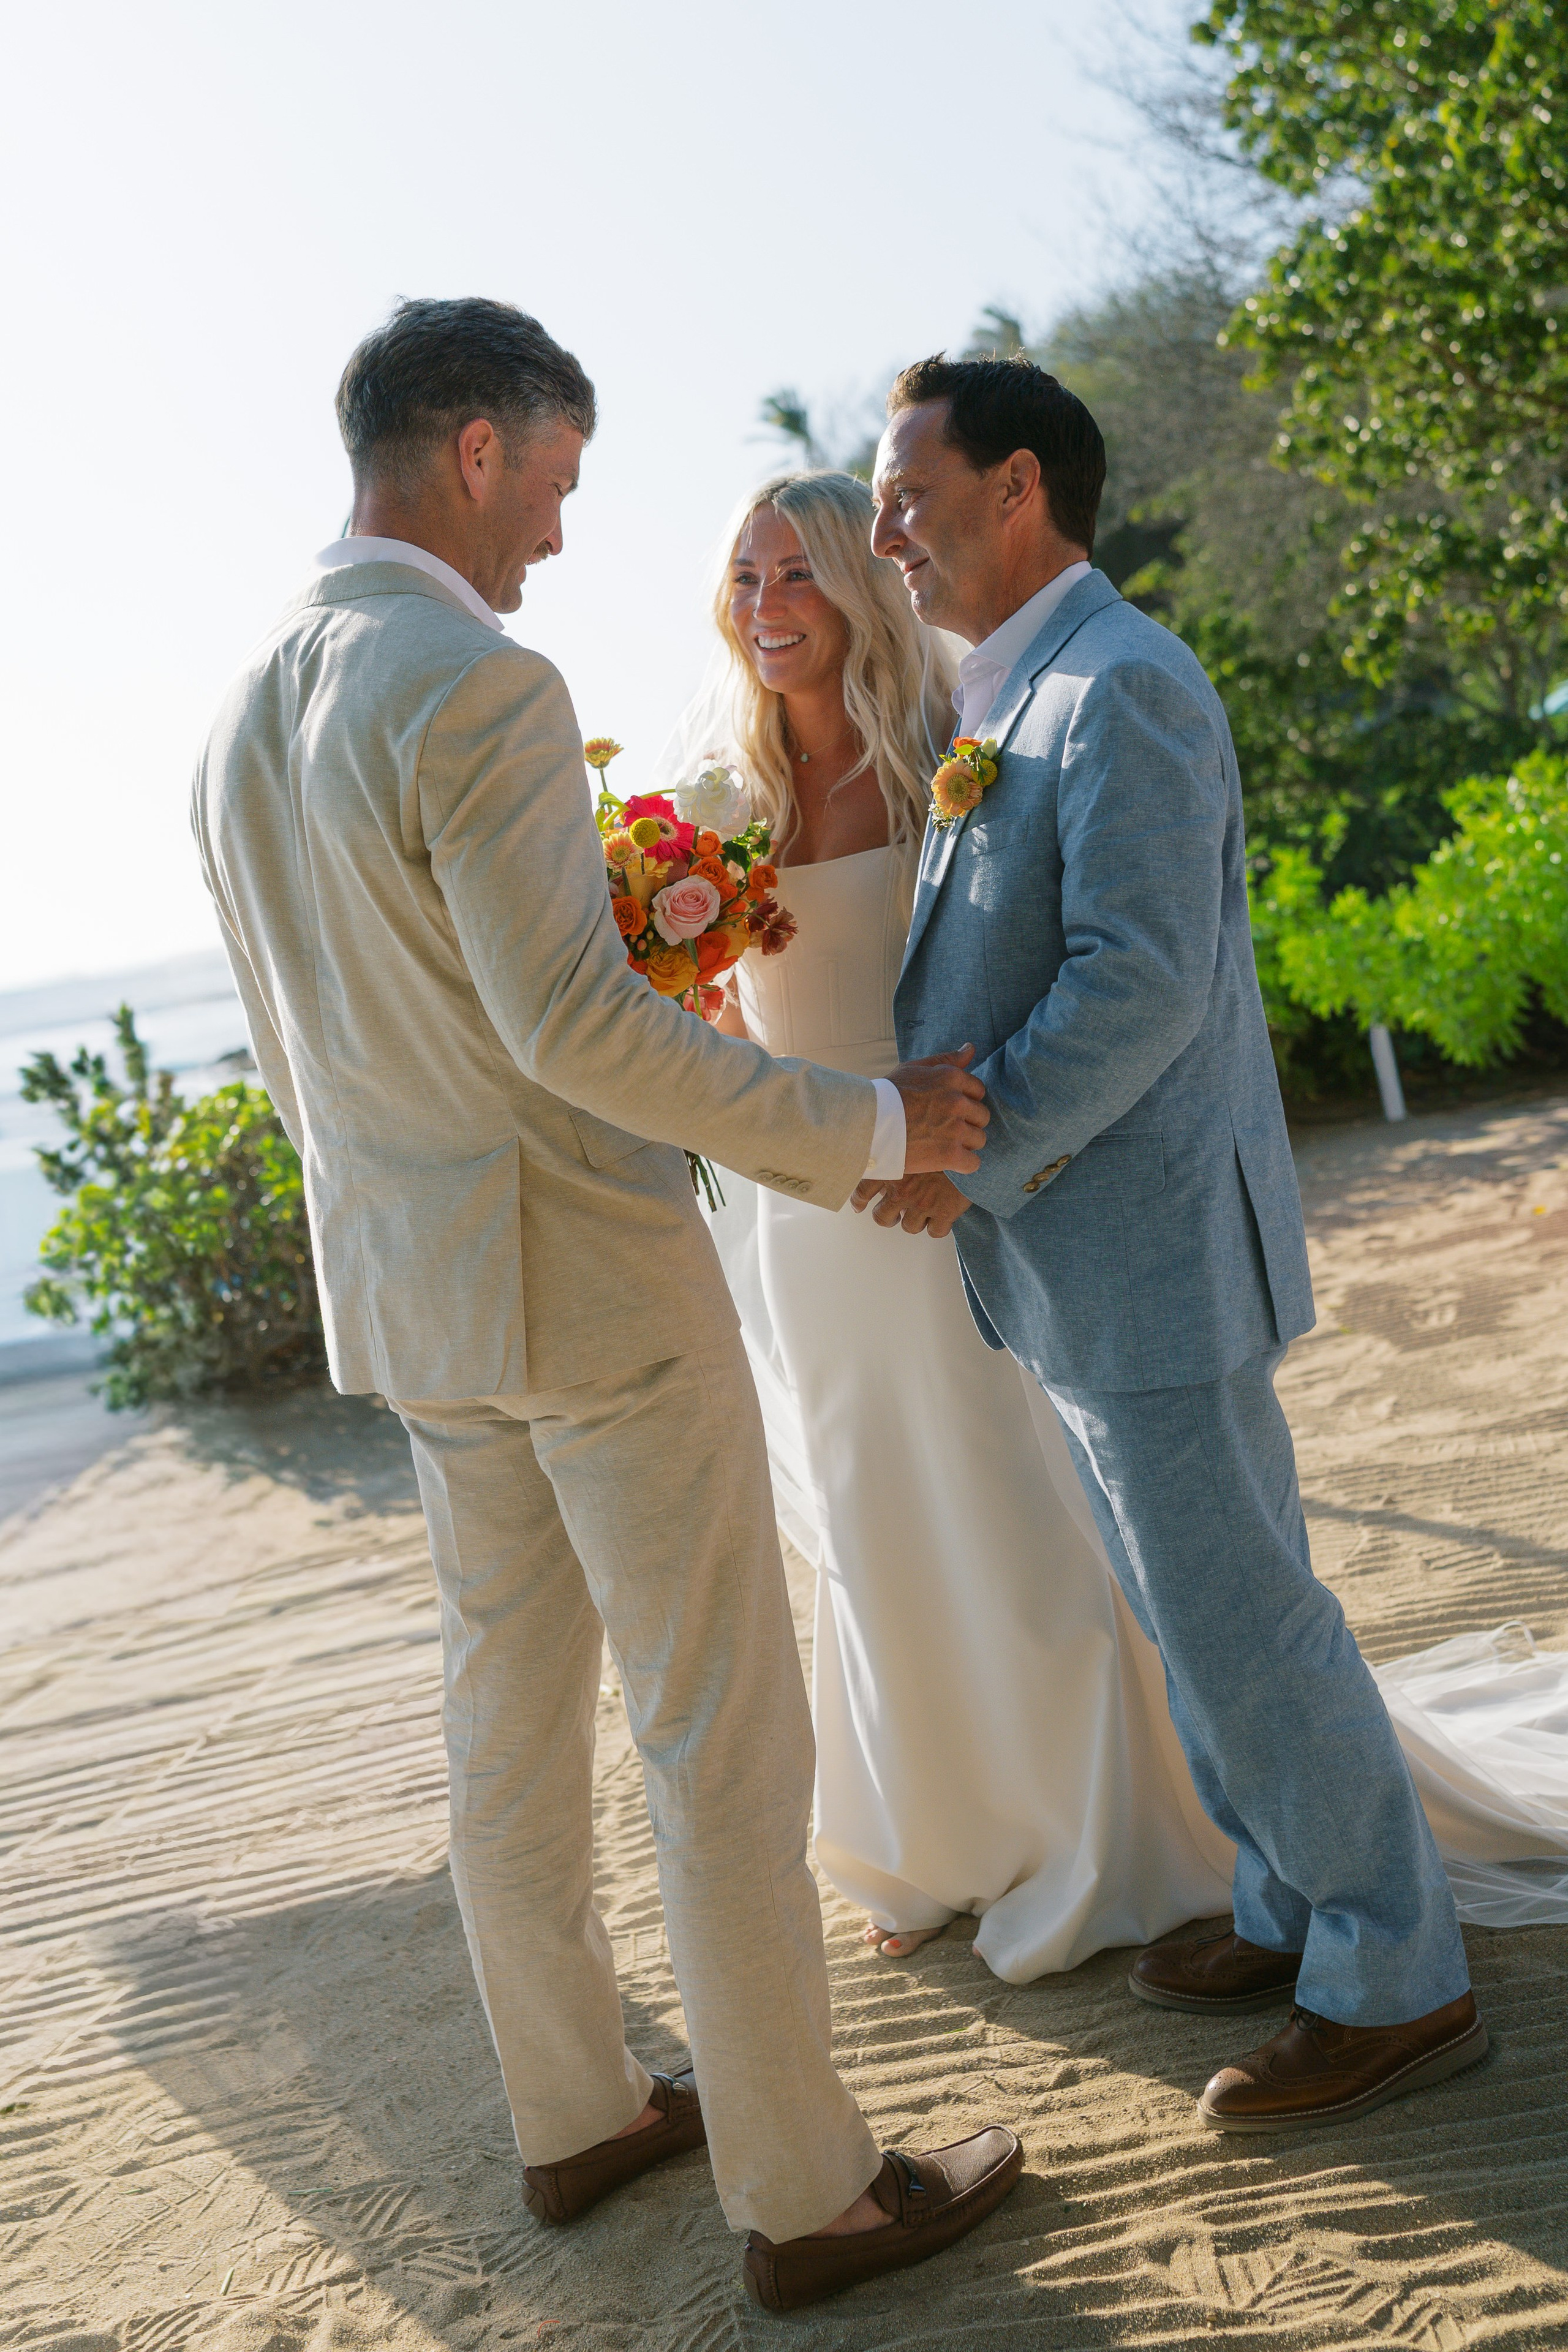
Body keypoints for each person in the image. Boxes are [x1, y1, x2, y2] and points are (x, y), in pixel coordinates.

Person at [190, 295, 1022, 2314]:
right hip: (590, 1293)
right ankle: (809, 2192)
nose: (560, 530)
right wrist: (870, 1123)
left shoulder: (240, 718)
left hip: (418, 1306)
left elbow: (306, 1059)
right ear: (476, 448)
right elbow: (575, 1028)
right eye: (555, 479)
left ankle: (574, 2111)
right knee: (719, 1733)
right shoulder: (472, 681)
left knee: (507, 1724)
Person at [861, 352, 1488, 2132]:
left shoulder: (1121, 682)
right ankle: (1291, 1903)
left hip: (1146, 1249)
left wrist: (966, 1149)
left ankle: (1396, 1978)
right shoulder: (1015, 687)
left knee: (1243, 1625)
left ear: (1019, 489)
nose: (887, 530)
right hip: (1080, 1262)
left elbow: (1139, 982)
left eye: (909, 494)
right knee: (1187, 1613)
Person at [666, 469, 1240, 1981]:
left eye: (798, 571)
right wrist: (696, 1008)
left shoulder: (950, 753)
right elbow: (713, 1028)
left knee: (1005, 1491)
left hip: (949, 1184)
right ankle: (926, 1837)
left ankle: (1097, 1822)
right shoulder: (714, 801)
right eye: (745, 577)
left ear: (862, 583)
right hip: (805, 1211)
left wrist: (978, 1142)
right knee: (868, 1519)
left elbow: (1033, 963)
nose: (766, 604)